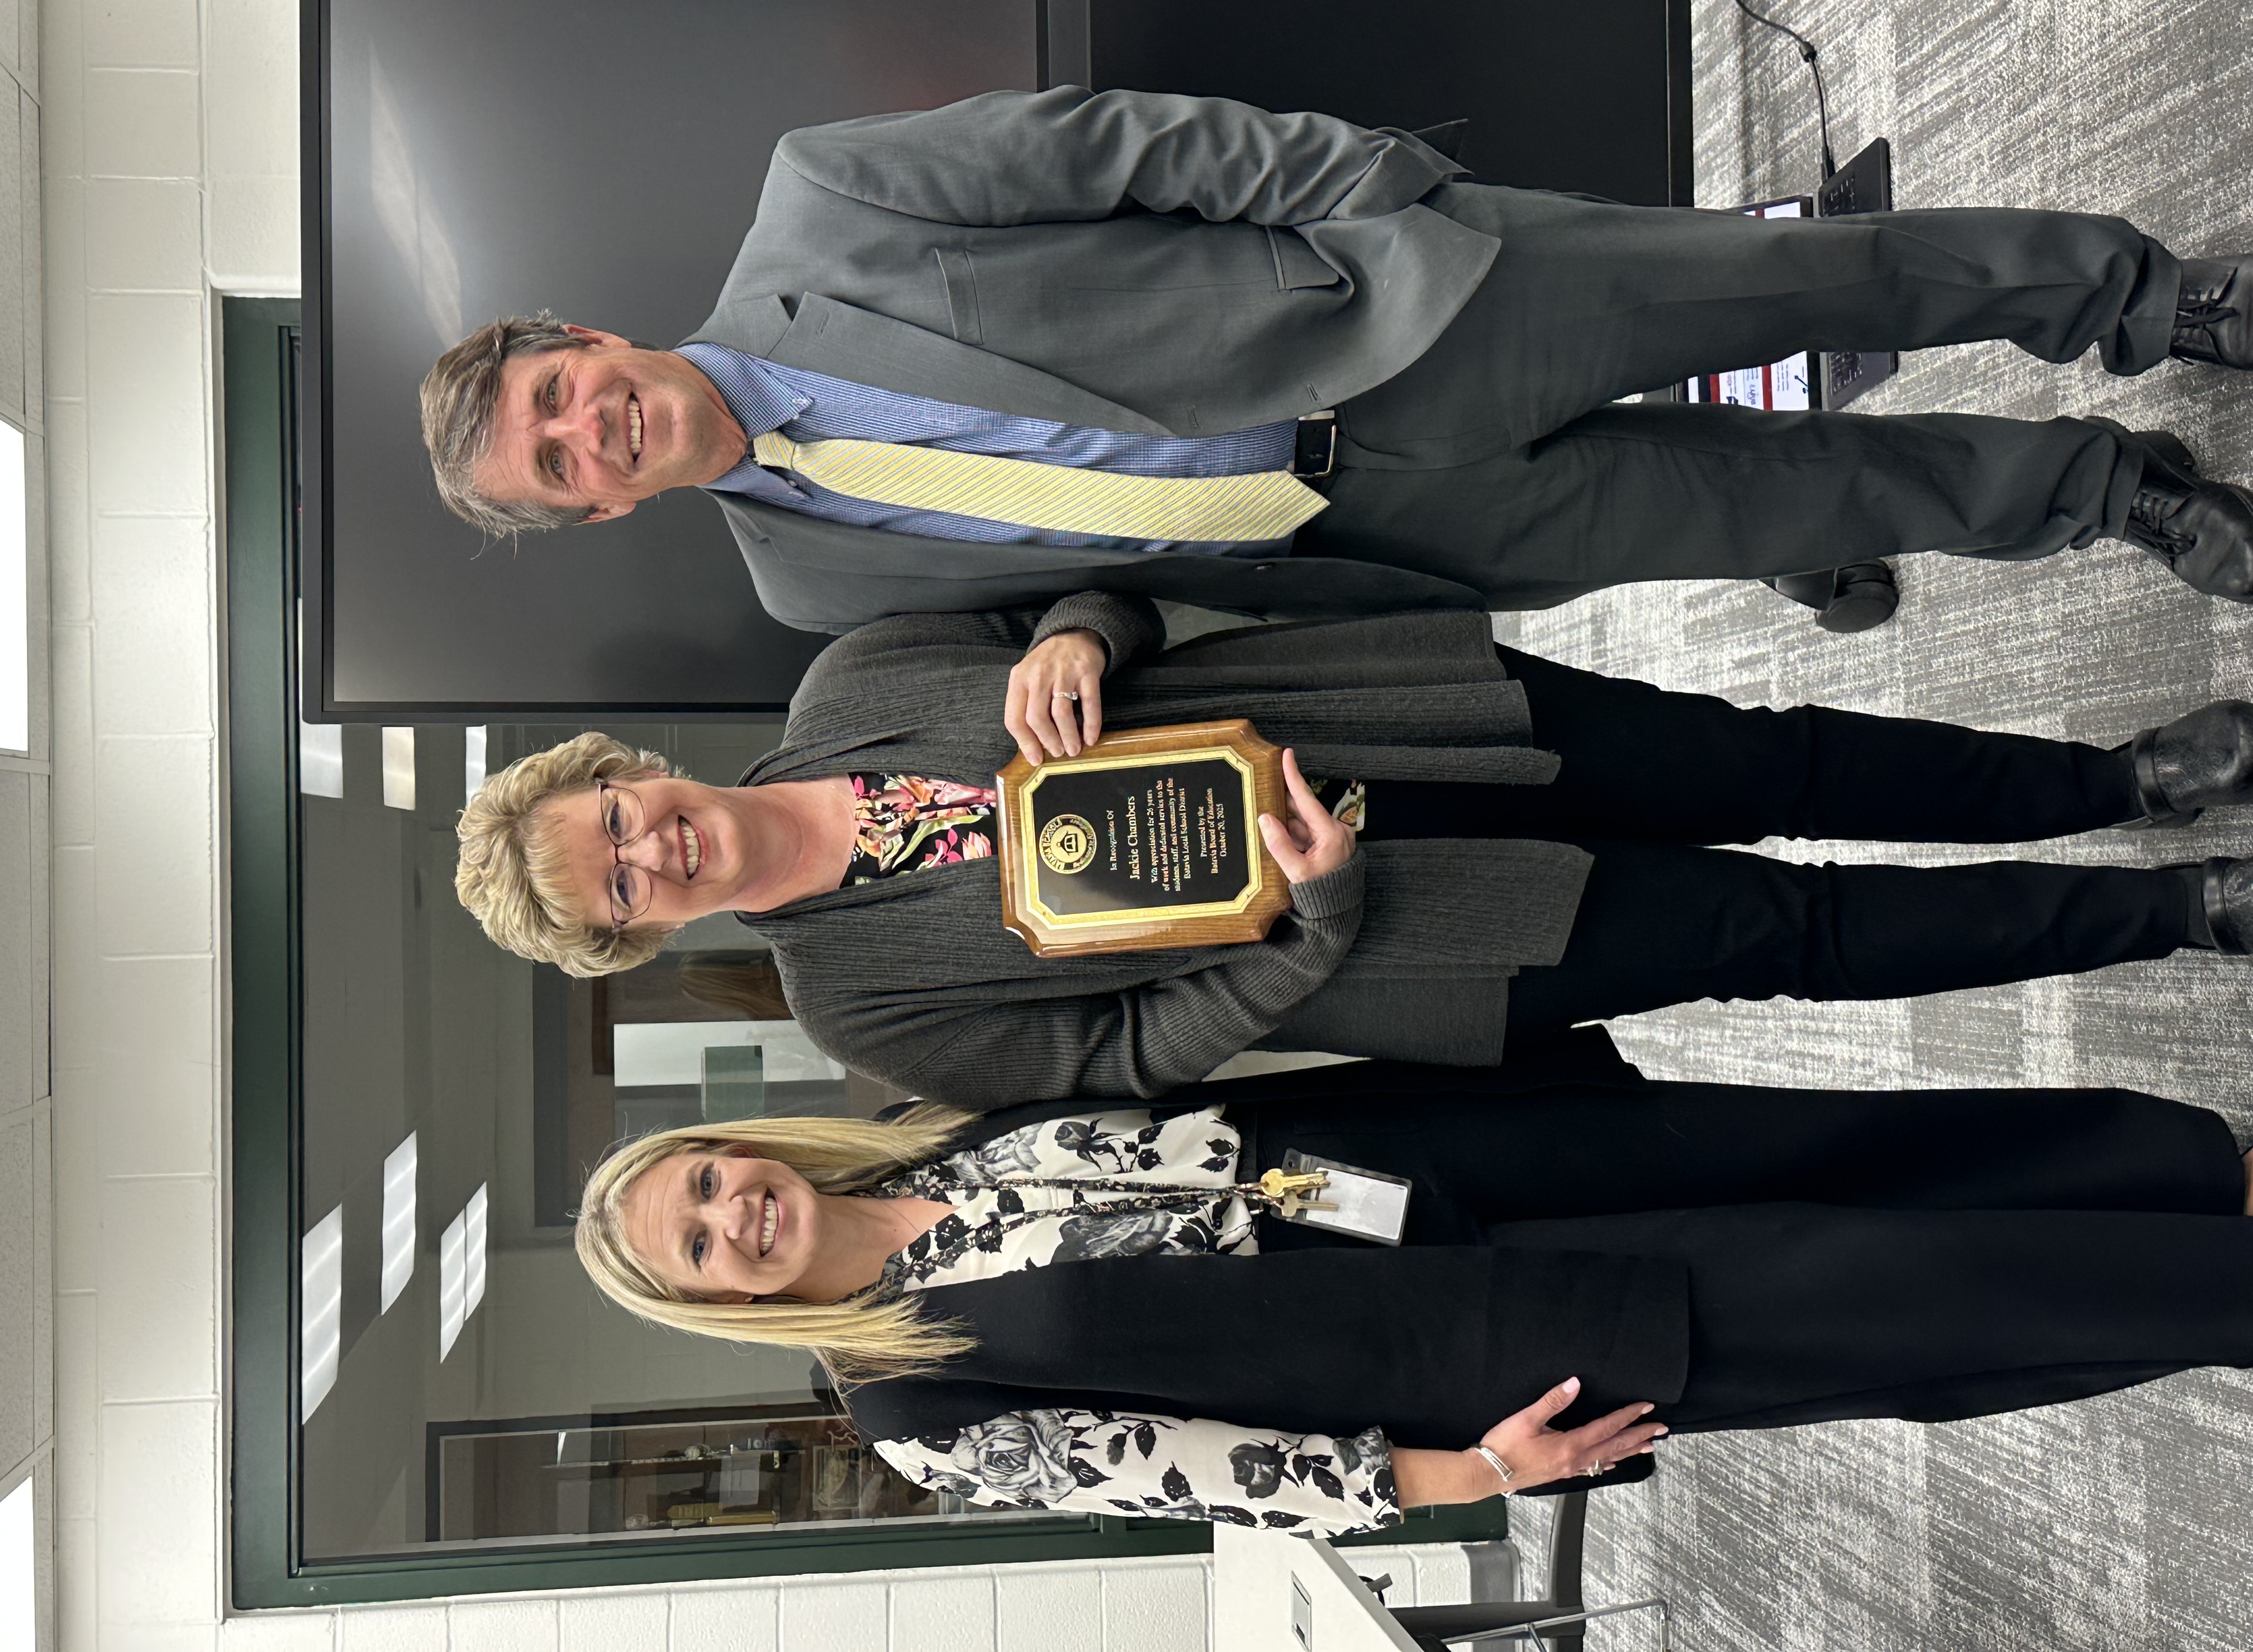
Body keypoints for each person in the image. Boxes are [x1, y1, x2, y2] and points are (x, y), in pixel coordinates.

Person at [417, 87, 2253, 634]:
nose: (591, 432)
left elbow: (1115, 145)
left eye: (558, 397)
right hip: (1376, 534)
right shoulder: (805, 586)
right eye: (558, 468)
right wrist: (1070, 644)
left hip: (1405, 309)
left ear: (585, 339)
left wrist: (1376, 191)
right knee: (1797, 496)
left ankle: (2140, 306)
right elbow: (1081, 603)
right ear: (591, 514)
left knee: (1818, 283)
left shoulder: (813, 198)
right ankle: (2113, 498)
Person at [458, 592, 2253, 1107]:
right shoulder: (861, 1013)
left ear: (624, 775)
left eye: (610, 821)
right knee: (1785, 928)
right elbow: (1126, 1059)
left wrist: (1081, 638)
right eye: (615, 889)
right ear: (632, 937)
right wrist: (1307, 930)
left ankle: (2115, 780)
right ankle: (2172, 910)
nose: (646, 853)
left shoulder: (853, 674)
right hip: (1420, 935)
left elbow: (1081, 586)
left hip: (1398, 716)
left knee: (1765, 757)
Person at [570, 1036, 2253, 1535]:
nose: (737, 1216)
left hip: (1426, 1188)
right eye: (702, 1248)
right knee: (1892, 1293)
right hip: (1474, 1341)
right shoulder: (923, 1411)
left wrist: (1420, 1171)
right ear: (721, 1304)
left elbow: (1207, 1159)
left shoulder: (938, 1140)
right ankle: (2213, 1284)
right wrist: (1473, 1475)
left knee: (1833, 1158)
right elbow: (1204, 1479)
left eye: (708, 1181)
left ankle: (2184, 1174)